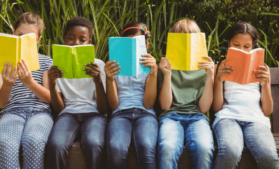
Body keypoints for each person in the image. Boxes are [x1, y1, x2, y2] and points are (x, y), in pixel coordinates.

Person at [0, 12, 53, 169]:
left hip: (41, 112)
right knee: (5, 143)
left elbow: (49, 98)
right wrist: (8, 84)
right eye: (19, 35)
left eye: (29, 37)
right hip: (12, 111)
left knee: (34, 141)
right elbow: (0, 103)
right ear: (13, 33)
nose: (22, 39)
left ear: (38, 40)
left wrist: (30, 82)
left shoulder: (46, 61)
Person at [212, 22, 279, 169]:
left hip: (255, 119)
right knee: (229, 152)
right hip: (228, 118)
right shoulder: (220, 67)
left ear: (253, 46)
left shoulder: (262, 69)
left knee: (269, 157)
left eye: (246, 47)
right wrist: (218, 80)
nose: (241, 50)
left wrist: (266, 84)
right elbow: (217, 108)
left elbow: (267, 111)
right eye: (236, 45)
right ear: (228, 42)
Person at [46, 16, 108, 169]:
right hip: (68, 113)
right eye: (71, 38)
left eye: (82, 40)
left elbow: (103, 109)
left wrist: (98, 81)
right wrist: (52, 85)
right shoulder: (57, 67)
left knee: (94, 144)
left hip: (94, 114)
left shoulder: (99, 65)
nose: (76, 43)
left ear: (89, 42)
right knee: (56, 145)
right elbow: (59, 108)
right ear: (64, 39)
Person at [157, 19, 215, 169]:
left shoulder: (204, 67)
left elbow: (203, 108)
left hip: (197, 117)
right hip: (171, 116)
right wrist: (167, 74)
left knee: (204, 148)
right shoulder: (165, 66)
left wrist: (210, 76)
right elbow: (165, 105)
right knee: (168, 148)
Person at [105, 22, 158, 169]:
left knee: (146, 146)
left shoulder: (150, 68)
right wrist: (109, 78)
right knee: (116, 148)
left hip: (145, 113)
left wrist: (154, 73)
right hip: (120, 113)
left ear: (146, 45)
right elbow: (113, 105)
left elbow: (148, 104)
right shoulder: (113, 67)